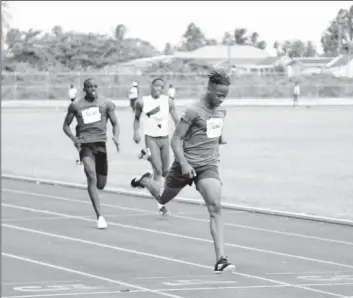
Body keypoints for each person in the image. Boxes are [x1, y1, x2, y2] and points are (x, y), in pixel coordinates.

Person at [131, 70, 235, 274]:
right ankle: (146, 181)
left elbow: (214, 129)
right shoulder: (193, 111)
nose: (221, 99)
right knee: (162, 197)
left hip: (208, 166)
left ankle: (221, 260)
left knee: (215, 207)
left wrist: (219, 139)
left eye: (225, 96)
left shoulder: (222, 112)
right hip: (184, 165)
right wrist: (185, 164)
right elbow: (176, 140)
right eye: (219, 95)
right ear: (209, 89)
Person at [63, 78, 120, 229]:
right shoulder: (76, 106)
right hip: (85, 145)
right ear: (84, 89)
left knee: (101, 184)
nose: (93, 89)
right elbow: (65, 126)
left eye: (95, 86)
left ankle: (97, 193)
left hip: (101, 145)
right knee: (91, 176)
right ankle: (100, 216)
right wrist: (74, 138)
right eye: (90, 87)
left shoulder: (106, 103)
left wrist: (116, 136)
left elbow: (115, 123)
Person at [133, 78, 179, 214]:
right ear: (151, 86)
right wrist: (136, 132)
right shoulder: (142, 102)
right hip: (151, 138)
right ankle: (160, 203)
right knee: (158, 170)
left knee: (165, 172)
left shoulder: (168, 101)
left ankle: (145, 181)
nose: (159, 88)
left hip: (165, 138)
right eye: (156, 85)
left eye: (161, 86)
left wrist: (182, 132)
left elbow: (176, 119)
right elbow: (136, 118)